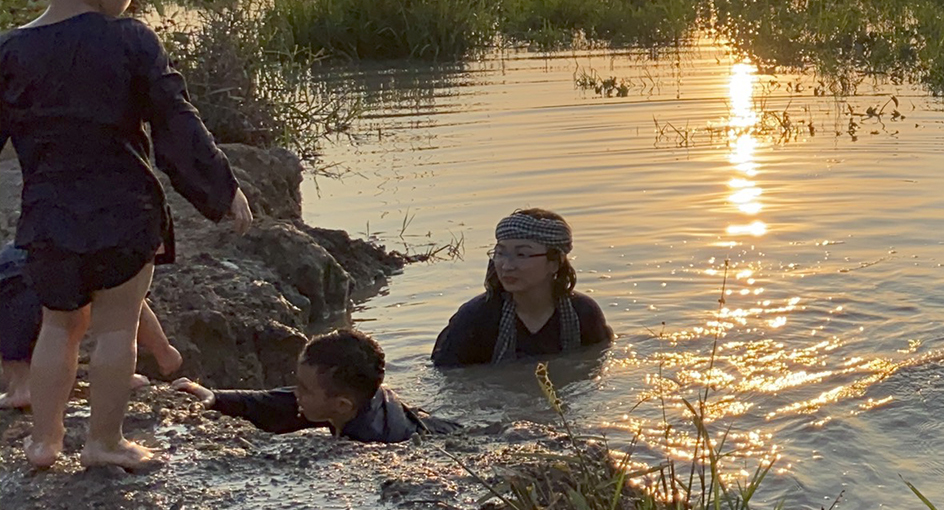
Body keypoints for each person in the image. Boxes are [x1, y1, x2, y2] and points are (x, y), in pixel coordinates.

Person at [0, 0, 253, 470]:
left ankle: (44, 442)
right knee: (116, 329)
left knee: (58, 327)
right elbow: (175, 123)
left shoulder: (9, 50)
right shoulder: (131, 40)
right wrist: (220, 189)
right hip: (123, 215)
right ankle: (104, 442)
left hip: (46, 219)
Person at [173, 328, 451, 443]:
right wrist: (216, 397)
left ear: (341, 405)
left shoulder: (370, 438)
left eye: (305, 389)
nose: (296, 394)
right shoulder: (355, 399)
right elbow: (274, 403)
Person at [2, 243, 184, 408]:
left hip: (18, 279)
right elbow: (131, 306)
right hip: (36, 276)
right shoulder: (103, 251)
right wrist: (164, 352)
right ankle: (118, 376)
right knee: (112, 320)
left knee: (43, 336)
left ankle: (22, 384)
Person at [431, 208, 612, 366]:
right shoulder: (475, 318)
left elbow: (595, 364)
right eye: (500, 253)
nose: (507, 266)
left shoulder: (584, 313)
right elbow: (450, 379)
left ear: (554, 263)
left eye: (522, 254)